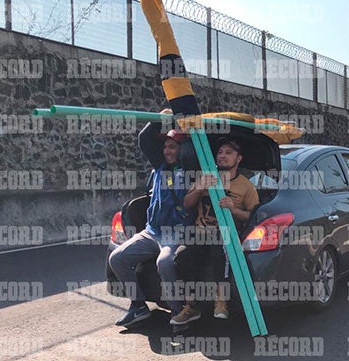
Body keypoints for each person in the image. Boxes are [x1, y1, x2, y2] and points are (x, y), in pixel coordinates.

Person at [108, 110, 195, 327]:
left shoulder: (190, 170)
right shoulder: (160, 167)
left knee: (164, 263)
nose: (167, 150)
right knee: (117, 258)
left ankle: (178, 313)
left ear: (182, 149)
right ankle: (138, 307)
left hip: (176, 234)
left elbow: (192, 152)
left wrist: (187, 127)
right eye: (165, 146)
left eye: (172, 146)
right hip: (152, 231)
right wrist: (159, 120)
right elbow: (145, 140)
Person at [170, 137, 259, 325]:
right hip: (200, 233)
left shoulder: (246, 185)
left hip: (225, 235)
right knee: (181, 256)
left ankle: (221, 301)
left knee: (220, 251)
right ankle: (191, 306)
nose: (223, 156)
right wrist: (199, 188)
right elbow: (186, 204)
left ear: (239, 159)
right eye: (220, 152)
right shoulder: (206, 176)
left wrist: (233, 209)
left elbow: (252, 216)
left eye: (229, 153)